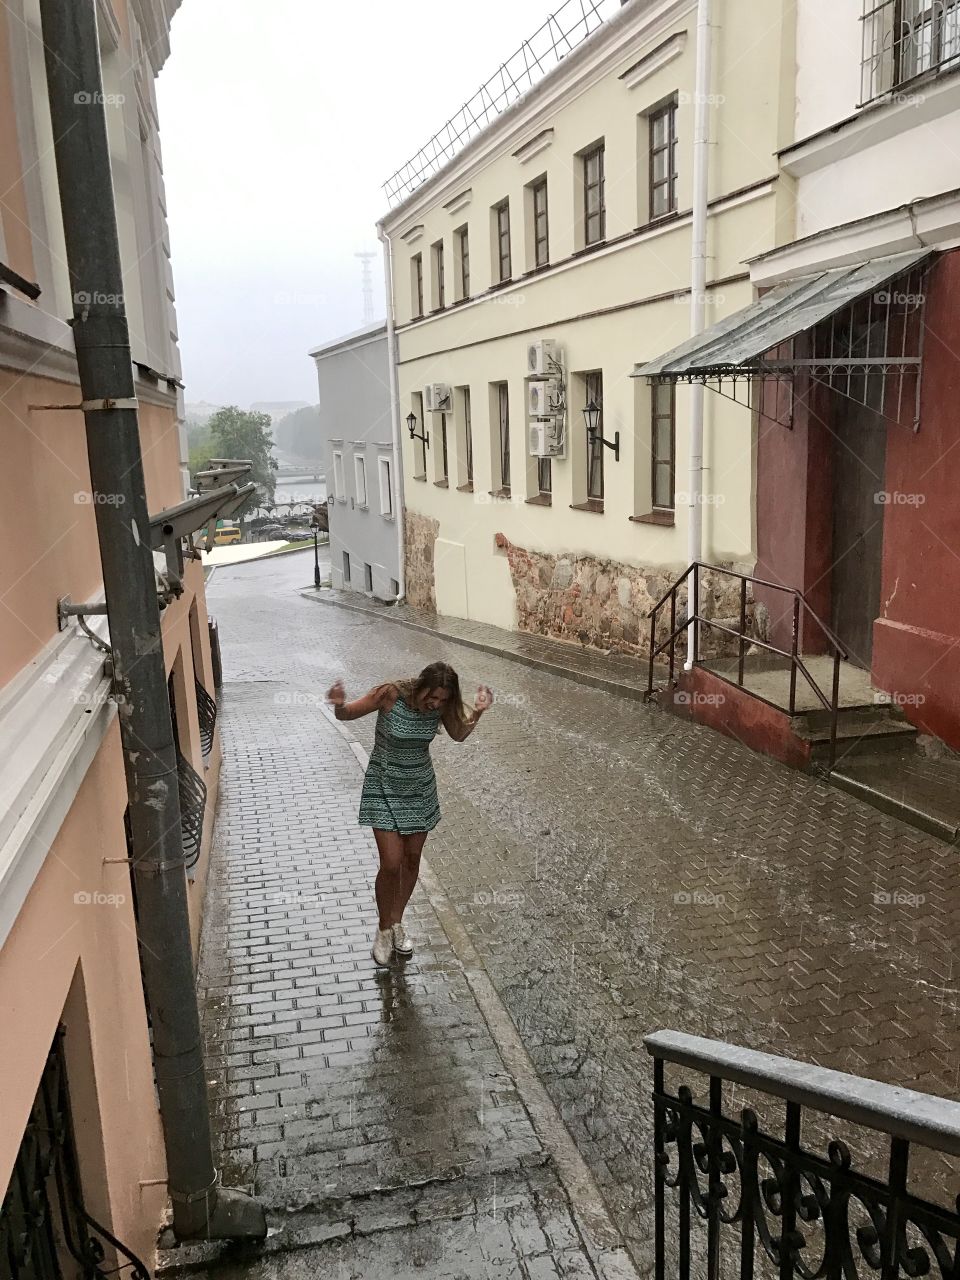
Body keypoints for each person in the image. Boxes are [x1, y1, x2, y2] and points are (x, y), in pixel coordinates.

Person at [326, 662, 492, 966]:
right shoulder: (389, 694)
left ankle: (398, 922)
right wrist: (338, 704)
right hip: (384, 783)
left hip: (419, 788)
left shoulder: (440, 706)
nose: (436, 704)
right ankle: (383, 928)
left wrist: (478, 712)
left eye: (443, 700)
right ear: (421, 685)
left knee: (412, 859)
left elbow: (458, 734)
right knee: (391, 863)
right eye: (433, 697)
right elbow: (348, 713)